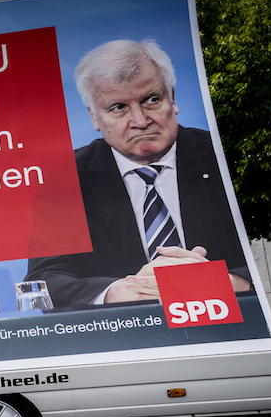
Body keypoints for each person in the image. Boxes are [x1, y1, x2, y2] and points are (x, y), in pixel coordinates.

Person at [25, 39, 251, 307]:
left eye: (151, 100)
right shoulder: (65, 180)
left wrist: (230, 282)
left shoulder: (225, 157)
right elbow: (43, 281)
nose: (141, 121)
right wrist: (118, 292)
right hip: (123, 336)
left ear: (173, 99)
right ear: (94, 118)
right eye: (118, 107)